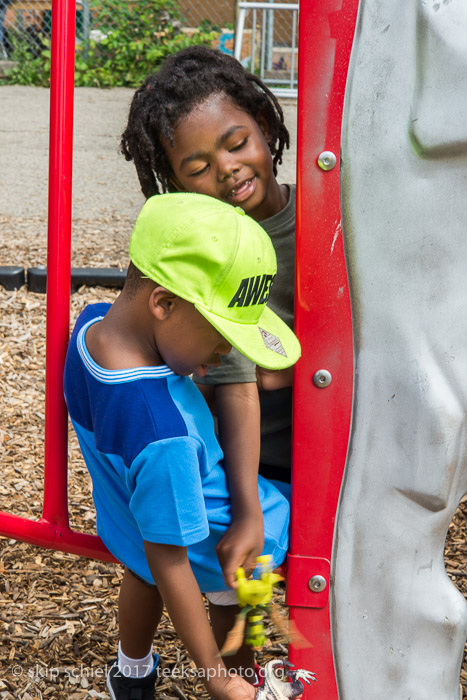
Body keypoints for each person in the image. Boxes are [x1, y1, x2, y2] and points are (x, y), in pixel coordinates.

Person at [63, 193, 301, 700]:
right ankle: (244, 683)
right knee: (230, 598)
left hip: (131, 521)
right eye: (221, 332)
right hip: (214, 544)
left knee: (142, 570)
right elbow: (172, 559)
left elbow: (153, 550)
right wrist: (213, 676)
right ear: (164, 304)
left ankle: (131, 674)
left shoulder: (89, 327)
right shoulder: (163, 434)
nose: (229, 350)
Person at [120, 46, 297, 594]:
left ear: (264, 125)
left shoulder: (332, 215)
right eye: (197, 168)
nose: (226, 170)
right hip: (244, 457)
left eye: (237, 142)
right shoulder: (210, 253)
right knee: (194, 568)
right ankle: (147, 669)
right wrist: (248, 508)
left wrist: (293, 367)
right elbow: (240, 382)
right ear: (174, 185)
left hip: (332, 444)